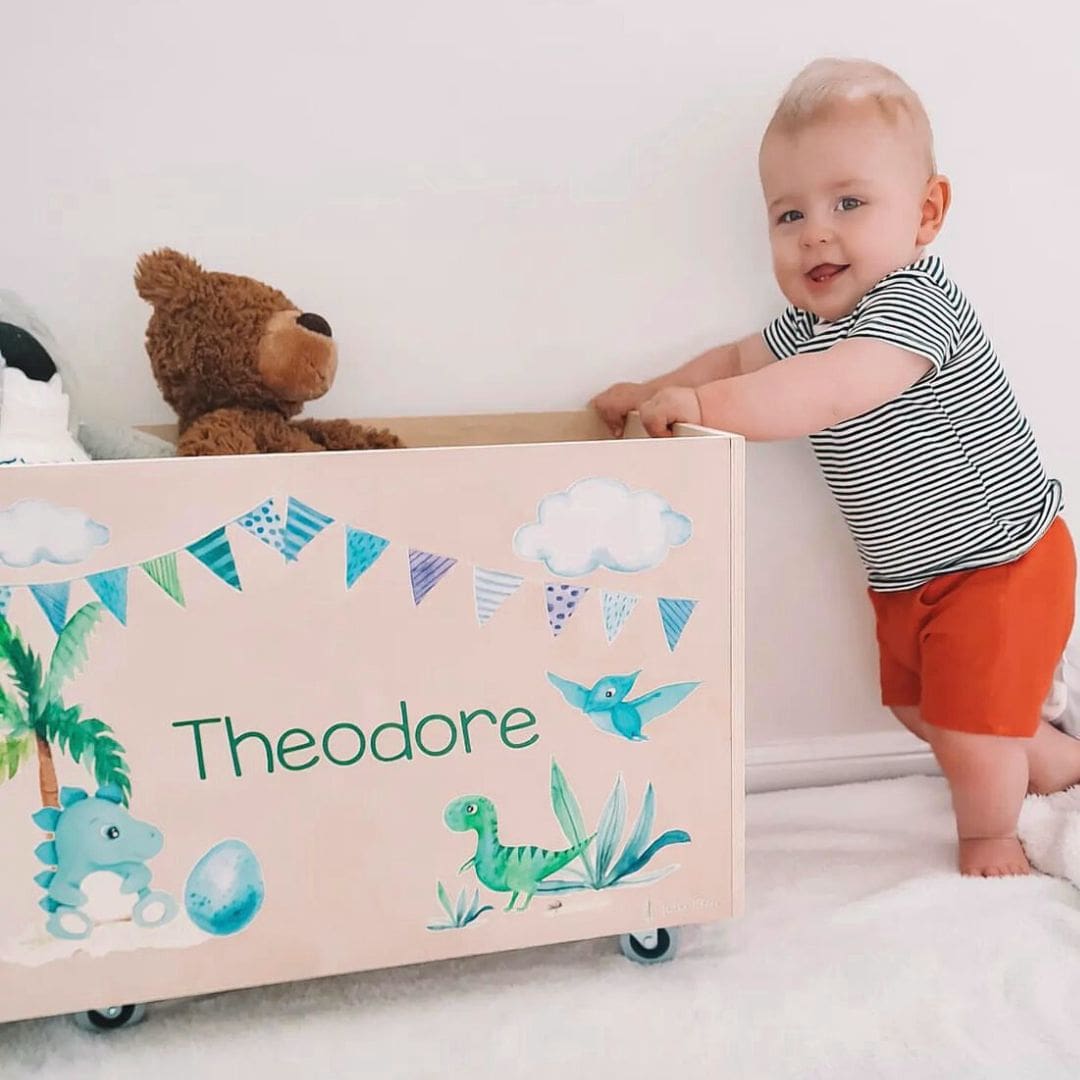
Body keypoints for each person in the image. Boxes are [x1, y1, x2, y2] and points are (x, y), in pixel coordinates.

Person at [589, 57, 1077, 878]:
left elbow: (825, 392)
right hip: (907, 574)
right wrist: (659, 386)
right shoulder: (807, 325)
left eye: (849, 203)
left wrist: (708, 412)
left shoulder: (916, 304)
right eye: (789, 214)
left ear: (926, 213)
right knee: (918, 706)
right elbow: (740, 356)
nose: (815, 231)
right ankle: (1057, 763)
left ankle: (991, 834)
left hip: (1001, 560)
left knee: (966, 731)